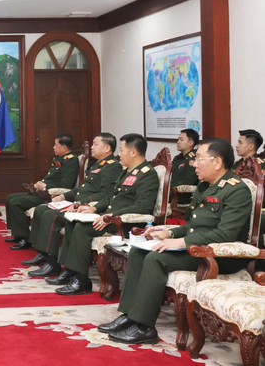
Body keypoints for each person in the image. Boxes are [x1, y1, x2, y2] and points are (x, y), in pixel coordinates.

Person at [97, 138, 252, 344]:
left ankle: (144, 327)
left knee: (155, 259)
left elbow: (225, 235)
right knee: (138, 251)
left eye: (199, 159)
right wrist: (169, 234)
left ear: (217, 162)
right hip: (195, 246)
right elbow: (192, 225)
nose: (194, 164)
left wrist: (182, 242)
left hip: (218, 255)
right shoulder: (205, 186)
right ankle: (129, 315)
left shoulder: (236, 190)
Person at [52, 133, 159, 295]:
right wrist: (94, 209)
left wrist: (111, 217)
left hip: (124, 223)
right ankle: (70, 270)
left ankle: (82, 281)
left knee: (82, 228)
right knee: (72, 221)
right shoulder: (127, 171)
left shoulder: (147, 174)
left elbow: (142, 206)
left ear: (133, 152)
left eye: (122, 150)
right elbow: (111, 196)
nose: (119, 153)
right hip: (108, 216)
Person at [23, 133, 122, 277]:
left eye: (95, 144)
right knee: (42, 209)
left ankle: (52, 262)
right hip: (76, 203)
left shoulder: (113, 167)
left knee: (51, 215)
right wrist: (64, 196)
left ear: (107, 148)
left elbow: (105, 194)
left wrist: (80, 203)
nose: (92, 148)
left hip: (87, 207)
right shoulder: (97, 164)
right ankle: (43, 253)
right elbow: (82, 189)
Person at [5, 133, 78, 250]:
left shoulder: (71, 161)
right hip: (42, 192)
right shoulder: (58, 158)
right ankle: (18, 234)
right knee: (9, 198)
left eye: (56, 145)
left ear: (64, 147)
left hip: (50, 195)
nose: (53, 147)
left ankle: (26, 238)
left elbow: (66, 184)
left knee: (15, 202)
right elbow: (52, 177)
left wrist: (45, 186)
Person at [170, 129, 199, 206]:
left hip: (182, 196)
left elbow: (190, 181)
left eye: (181, 140)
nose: (178, 142)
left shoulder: (193, 160)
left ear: (191, 143)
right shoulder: (177, 158)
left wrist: (170, 187)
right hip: (170, 192)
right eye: (178, 139)